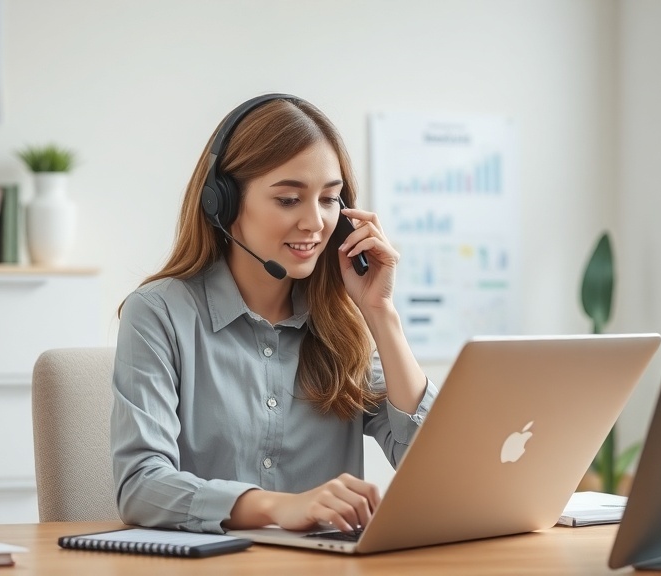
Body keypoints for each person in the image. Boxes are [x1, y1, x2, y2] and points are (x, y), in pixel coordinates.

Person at [111, 94, 437, 535]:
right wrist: (277, 507)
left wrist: (382, 314)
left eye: (329, 200)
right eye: (288, 200)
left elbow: (430, 463)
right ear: (222, 204)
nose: (315, 223)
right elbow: (140, 486)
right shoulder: (159, 314)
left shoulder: (341, 324)